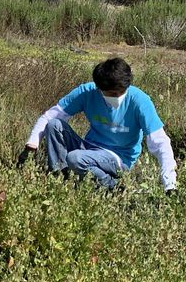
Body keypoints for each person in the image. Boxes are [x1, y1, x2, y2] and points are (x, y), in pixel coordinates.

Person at [17, 56, 177, 193]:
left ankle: (113, 187)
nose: (118, 97)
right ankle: (59, 179)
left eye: (121, 91)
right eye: (112, 94)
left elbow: (160, 142)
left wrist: (169, 184)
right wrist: (32, 144)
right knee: (54, 125)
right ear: (99, 88)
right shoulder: (87, 92)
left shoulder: (139, 101)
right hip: (89, 147)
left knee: (75, 158)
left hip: (119, 158)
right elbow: (50, 116)